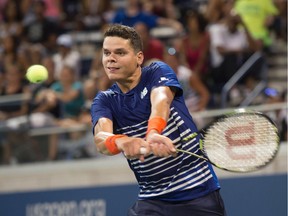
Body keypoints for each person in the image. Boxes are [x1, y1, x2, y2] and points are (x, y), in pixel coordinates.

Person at [91, 24, 226, 216]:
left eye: (120, 53)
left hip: (198, 194)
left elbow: (161, 100)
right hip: (152, 200)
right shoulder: (105, 100)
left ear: (139, 58)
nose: (111, 59)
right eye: (106, 53)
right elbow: (101, 139)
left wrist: (153, 132)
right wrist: (121, 141)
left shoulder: (157, 71)